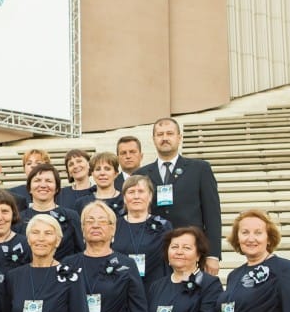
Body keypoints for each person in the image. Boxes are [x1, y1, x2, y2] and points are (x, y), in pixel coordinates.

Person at [136, 118, 221, 275]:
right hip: (154, 252)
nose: (165, 138)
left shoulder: (200, 169)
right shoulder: (141, 174)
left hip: (191, 250)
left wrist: (213, 255)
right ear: (153, 139)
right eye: (160, 134)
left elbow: (212, 214)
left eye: (170, 133)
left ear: (179, 137)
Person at [112, 174, 171, 291]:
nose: (136, 196)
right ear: (124, 198)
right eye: (131, 192)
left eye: (141, 191)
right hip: (122, 287)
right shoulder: (113, 225)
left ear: (150, 196)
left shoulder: (163, 225)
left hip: (155, 287)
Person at [19, 163, 83, 261]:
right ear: (29, 188)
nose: (43, 185)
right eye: (37, 180)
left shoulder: (71, 216)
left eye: (48, 181)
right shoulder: (19, 219)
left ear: (57, 188)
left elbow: (81, 252)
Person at [75, 152, 124, 216]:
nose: (102, 173)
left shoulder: (125, 200)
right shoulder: (81, 203)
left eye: (107, 169)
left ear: (116, 173)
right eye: (98, 169)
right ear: (92, 173)